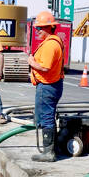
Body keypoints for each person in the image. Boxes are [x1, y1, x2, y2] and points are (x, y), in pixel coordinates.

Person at [28, 11, 64, 162]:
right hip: (51, 85)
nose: (37, 31)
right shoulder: (53, 42)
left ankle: (48, 153)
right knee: (46, 116)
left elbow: (45, 68)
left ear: (49, 28)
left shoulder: (50, 45)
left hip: (48, 86)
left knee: (46, 117)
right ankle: (51, 149)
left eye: (40, 28)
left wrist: (31, 62)